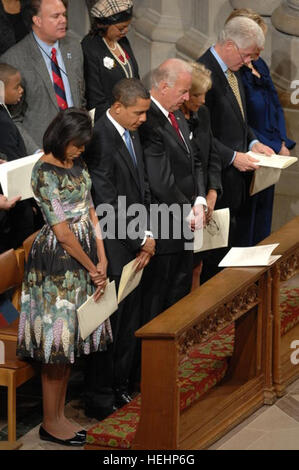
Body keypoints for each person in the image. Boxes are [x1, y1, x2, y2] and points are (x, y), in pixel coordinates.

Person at [17, 108, 112, 446]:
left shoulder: (76, 163)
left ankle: (59, 416)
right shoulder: (44, 173)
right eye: (76, 145)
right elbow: (61, 230)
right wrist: (90, 265)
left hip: (85, 254)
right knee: (56, 345)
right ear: (61, 138)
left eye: (83, 146)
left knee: (70, 344)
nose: (80, 151)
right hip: (56, 265)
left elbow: (89, 208)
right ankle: (50, 421)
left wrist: (102, 256)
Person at [84, 78, 155, 420]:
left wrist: (148, 233)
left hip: (136, 243)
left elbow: (142, 186)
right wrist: (140, 239)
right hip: (113, 247)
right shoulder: (99, 138)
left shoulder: (132, 131)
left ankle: (120, 385)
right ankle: (100, 397)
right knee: (109, 326)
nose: (143, 119)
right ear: (117, 107)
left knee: (129, 322)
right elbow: (106, 200)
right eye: (138, 113)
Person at [197, 17, 274, 281]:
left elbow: (240, 120)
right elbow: (200, 135)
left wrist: (253, 143)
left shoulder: (234, 70)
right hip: (215, 182)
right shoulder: (202, 72)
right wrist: (232, 157)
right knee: (212, 262)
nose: (249, 62)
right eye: (246, 55)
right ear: (229, 45)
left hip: (236, 181)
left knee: (229, 255)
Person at [139, 58, 206, 324]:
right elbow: (161, 182)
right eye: (183, 91)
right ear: (163, 87)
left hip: (186, 224)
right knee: (159, 306)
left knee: (180, 299)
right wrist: (188, 211)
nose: (188, 97)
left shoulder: (176, 113)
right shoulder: (148, 121)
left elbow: (195, 160)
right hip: (164, 227)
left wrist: (200, 199)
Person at [225, 8, 296, 244]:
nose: (257, 52)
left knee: (263, 219)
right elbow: (244, 118)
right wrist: (264, 144)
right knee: (246, 223)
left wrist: (282, 141)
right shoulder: (236, 73)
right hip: (251, 152)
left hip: (270, 152)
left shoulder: (260, 65)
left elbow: (274, 103)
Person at [1, 0, 86, 154]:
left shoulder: (74, 47)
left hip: (78, 147)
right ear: (37, 20)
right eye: (56, 16)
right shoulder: (14, 60)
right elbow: (12, 118)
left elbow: (81, 96)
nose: (63, 20)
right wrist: (35, 151)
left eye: (64, 14)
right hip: (42, 152)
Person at [81, 0, 139, 122]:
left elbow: (134, 74)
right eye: (121, 28)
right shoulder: (90, 47)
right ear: (105, 25)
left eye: (127, 26)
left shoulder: (123, 41)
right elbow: (94, 94)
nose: (125, 31)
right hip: (107, 119)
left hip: (130, 114)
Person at [0, 62, 36, 252]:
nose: (21, 90)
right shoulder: (2, 122)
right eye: (16, 87)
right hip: (13, 206)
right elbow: (13, 161)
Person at [180, 62, 222, 222]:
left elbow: (213, 153)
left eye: (204, 94)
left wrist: (212, 191)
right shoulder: (172, 119)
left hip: (204, 199)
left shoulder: (203, 113)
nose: (203, 100)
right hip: (182, 205)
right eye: (197, 95)